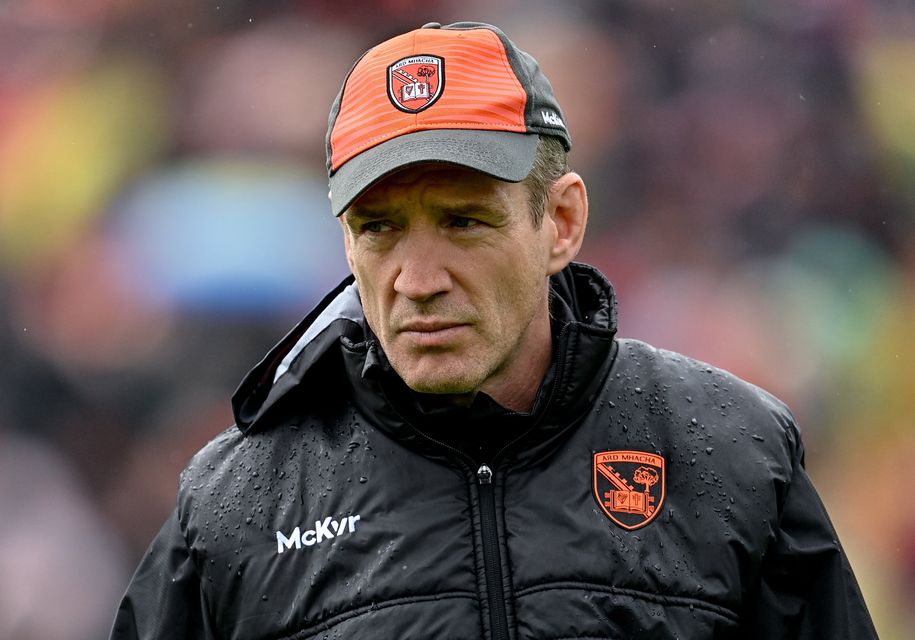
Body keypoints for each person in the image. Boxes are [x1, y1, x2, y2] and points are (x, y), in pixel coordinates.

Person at [110, 21, 878, 639]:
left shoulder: (734, 452)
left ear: (563, 222)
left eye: (463, 221)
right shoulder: (234, 505)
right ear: (345, 241)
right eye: (379, 229)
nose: (418, 279)